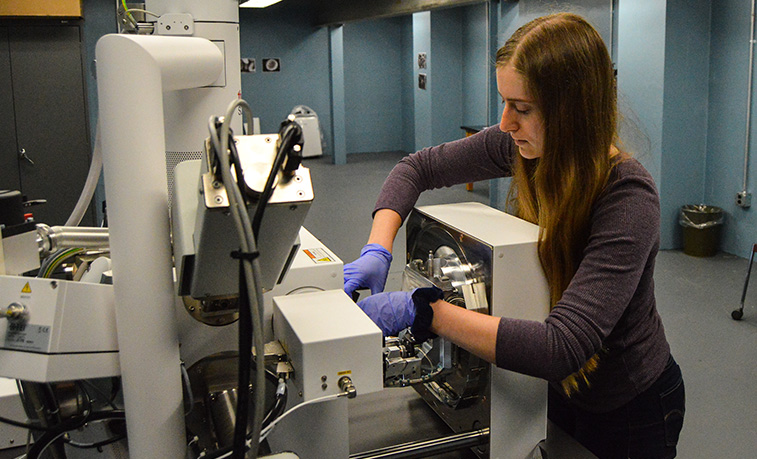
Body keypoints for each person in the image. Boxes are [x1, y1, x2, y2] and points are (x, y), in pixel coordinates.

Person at [343, 13, 685, 459]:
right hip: (553, 392)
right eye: (504, 102)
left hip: (628, 406)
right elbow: (416, 168)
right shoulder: (523, 148)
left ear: (573, 111)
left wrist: (425, 312)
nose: (505, 123)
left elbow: (562, 346)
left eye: (522, 108)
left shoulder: (626, 197)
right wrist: (378, 247)